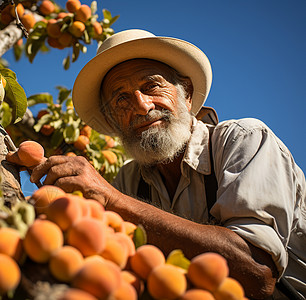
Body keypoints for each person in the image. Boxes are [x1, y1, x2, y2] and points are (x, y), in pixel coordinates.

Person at [30, 29, 305, 299]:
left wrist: (110, 199)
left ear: (186, 93)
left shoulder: (242, 139)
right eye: (121, 99)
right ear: (114, 122)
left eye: (152, 86)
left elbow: (257, 274)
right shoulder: (129, 180)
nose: (142, 106)